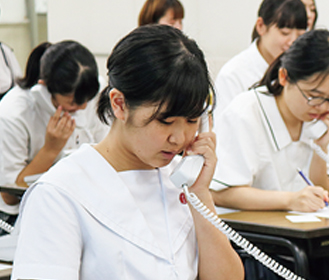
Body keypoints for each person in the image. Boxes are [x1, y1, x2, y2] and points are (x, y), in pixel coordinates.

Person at [11, 25, 244, 280]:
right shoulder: (59, 194)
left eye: (191, 121)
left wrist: (200, 194)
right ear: (119, 104)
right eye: (165, 121)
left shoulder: (182, 182)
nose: (179, 138)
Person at [210, 29, 329, 280]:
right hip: (256, 249)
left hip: (304, 245)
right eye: (314, 97)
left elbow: (321, 191)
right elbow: (220, 192)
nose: (322, 107)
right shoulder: (246, 112)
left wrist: (323, 143)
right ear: (284, 77)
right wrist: (289, 200)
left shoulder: (317, 120)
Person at [0, 41, 109, 233]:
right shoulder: (13, 113)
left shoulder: (92, 93)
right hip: (22, 216)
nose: (83, 108)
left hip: (82, 204)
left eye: (87, 100)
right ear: (44, 87)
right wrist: (51, 149)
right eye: (73, 103)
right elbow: (9, 194)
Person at [214, 0, 307, 120]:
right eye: (285, 33)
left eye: (300, 35)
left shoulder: (303, 71)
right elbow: (224, 128)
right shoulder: (233, 75)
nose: (293, 42)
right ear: (261, 26)